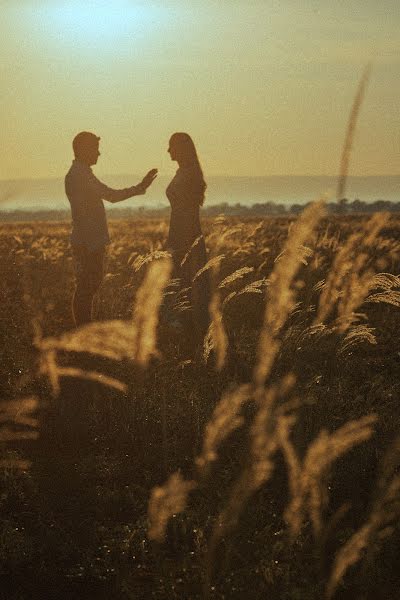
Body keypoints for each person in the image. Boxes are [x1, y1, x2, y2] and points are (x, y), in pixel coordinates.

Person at [65, 131, 157, 326]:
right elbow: (111, 196)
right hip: (88, 242)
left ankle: (83, 329)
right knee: (86, 288)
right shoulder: (81, 175)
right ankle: (83, 330)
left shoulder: (81, 174)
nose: (99, 154)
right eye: (95, 149)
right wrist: (140, 187)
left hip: (87, 240)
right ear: (84, 150)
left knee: (87, 287)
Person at [165, 132, 210, 349]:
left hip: (186, 235)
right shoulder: (184, 171)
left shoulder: (190, 173)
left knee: (188, 285)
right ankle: (187, 335)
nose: (168, 151)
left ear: (181, 148)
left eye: (171, 146)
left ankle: (193, 339)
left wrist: (183, 241)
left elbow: (188, 211)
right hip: (179, 234)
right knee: (182, 285)